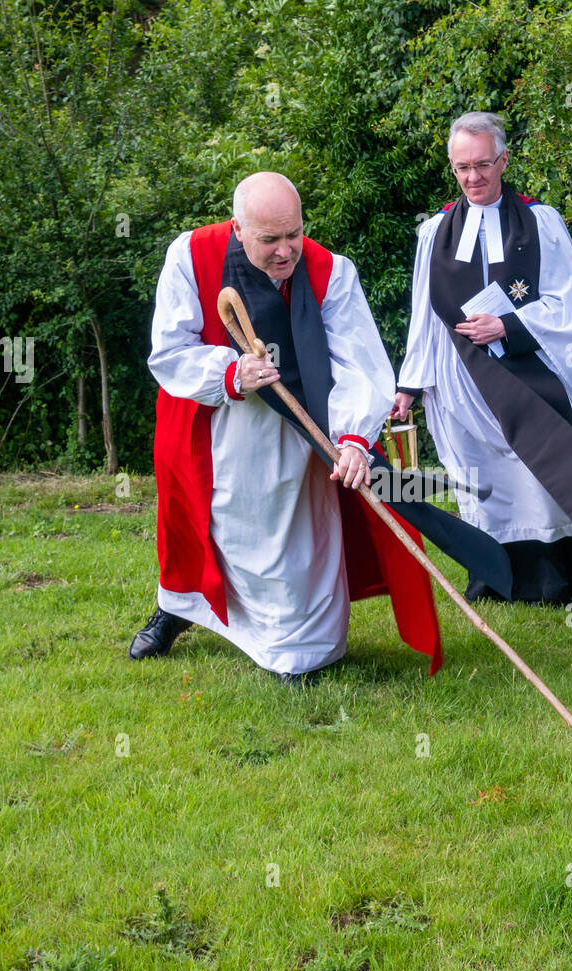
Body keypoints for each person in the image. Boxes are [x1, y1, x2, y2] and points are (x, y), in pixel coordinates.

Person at [129, 172, 449, 683]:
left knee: (292, 543)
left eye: (293, 234)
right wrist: (230, 372)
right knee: (203, 530)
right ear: (238, 229)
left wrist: (351, 439)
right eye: (269, 239)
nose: (286, 251)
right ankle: (180, 607)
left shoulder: (329, 271)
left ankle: (297, 652)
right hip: (216, 423)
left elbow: (360, 362)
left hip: (301, 436)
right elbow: (169, 349)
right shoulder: (190, 257)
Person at [393, 111, 572, 604]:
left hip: (526, 374)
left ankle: (552, 579)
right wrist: (408, 385)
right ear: (451, 165)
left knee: (534, 475)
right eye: (462, 167)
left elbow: (571, 305)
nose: (473, 177)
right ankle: (491, 577)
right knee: (479, 479)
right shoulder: (434, 235)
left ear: (504, 160)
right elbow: (423, 317)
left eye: (483, 164)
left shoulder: (539, 222)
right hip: (459, 380)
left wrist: (508, 325)